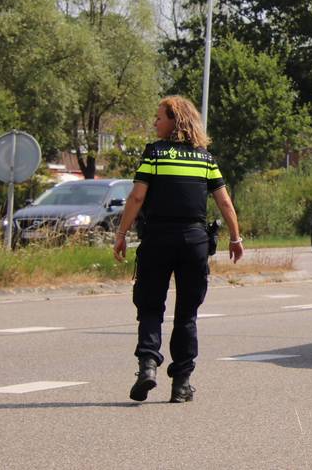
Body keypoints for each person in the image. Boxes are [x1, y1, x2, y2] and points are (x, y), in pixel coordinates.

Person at [113, 95, 244, 403]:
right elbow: (224, 202)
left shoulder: (155, 154)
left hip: (158, 238)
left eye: (159, 117)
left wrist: (121, 233)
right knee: (187, 313)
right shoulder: (205, 158)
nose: (155, 122)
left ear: (174, 120)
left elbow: (136, 198)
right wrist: (235, 238)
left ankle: (147, 366)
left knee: (150, 306)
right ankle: (181, 384)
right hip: (194, 242)